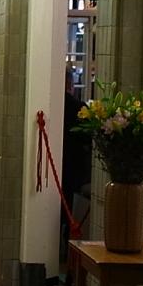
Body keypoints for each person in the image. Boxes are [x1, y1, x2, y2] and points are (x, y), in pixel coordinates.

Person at [60, 69, 92, 269]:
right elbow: (89, 139)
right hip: (75, 171)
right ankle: (70, 256)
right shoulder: (79, 109)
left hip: (57, 168)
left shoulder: (51, 106)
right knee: (70, 212)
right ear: (70, 84)